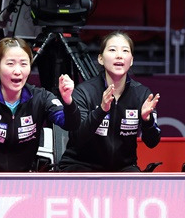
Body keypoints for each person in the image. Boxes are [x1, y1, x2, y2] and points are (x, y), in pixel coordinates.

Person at [0, 37, 80, 172]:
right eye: (10, 64)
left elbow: (71, 125)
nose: (18, 71)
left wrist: (68, 101)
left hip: (20, 179)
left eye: (24, 64)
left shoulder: (41, 98)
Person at [58, 31, 161, 172]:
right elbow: (77, 138)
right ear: (100, 58)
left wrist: (147, 120)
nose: (119, 55)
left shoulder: (142, 94)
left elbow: (152, 143)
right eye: (112, 50)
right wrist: (101, 110)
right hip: (81, 166)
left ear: (131, 60)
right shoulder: (84, 92)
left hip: (123, 169)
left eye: (125, 51)